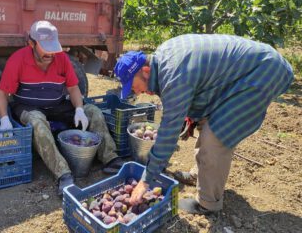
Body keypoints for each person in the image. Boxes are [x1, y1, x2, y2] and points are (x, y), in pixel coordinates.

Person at [114, 34, 294, 214]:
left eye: (133, 86)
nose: (135, 91)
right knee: (206, 120)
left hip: (264, 72)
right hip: (243, 72)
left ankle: (207, 204)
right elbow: (198, 87)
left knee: (215, 136)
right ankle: (200, 175)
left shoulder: (173, 76)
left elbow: (168, 133)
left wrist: (146, 180)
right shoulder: (162, 58)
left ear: (146, 71)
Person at [0, 20, 124, 196]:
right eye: (44, 47)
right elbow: (2, 94)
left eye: (53, 47)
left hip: (56, 104)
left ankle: (110, 157)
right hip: (28, 106)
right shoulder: (18, 59)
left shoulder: (61, 58)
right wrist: (4, 120)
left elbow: (72, 88)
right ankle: (63, 173)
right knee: (37, 122)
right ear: (31, 43)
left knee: (92, 111)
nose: (50, 53)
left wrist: (79, 108)